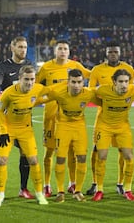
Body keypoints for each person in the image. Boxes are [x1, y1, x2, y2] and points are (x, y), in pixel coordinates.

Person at [36, 39, 90, 197]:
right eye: (60, 48)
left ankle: (72, 183)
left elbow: (91, 76)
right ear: (55, 51)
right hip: (51, 115)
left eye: (65, 49)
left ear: (69, 51)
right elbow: (37, 87)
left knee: (73, 152)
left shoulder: (75, 66)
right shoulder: (46, 67)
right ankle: (47, 184)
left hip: (68, 117)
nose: (63, 51)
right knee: (49, 151)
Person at [0, 65, 49, 207]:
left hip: (25, 130)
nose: (29, 83)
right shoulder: (8, 93)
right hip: (8, 130)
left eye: (32, 79)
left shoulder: (37, 88)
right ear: (19, 79)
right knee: (2, 160)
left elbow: (51, 93)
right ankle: (0, 195)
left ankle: (39, 194)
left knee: (33, 161)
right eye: (26, 79)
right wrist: (3, 130)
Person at [42, 69, 99, 203]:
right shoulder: (59, 93)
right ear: (68, 82)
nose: (76, 85)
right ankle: (60, 191)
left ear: (83, 82)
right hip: (63, 127)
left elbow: (102, 101)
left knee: (82, 158)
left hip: (79, 128)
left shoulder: (88, 93)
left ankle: (77, 190)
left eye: (79, 82)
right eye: (73, 82)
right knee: (61, 159)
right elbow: (41, 98)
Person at [86, 41, 134, 196]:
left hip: (121, 117)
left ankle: (120, 184)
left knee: (123, 151)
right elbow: (91, 91)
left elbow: (130, 91)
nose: (113, 54)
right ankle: (95, 183)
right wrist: (103, 103)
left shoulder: (128, 69)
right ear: (106, 53)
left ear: (120, 53)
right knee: (97, 151)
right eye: (110, 52)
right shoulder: (97, 70)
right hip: (103, 117)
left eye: (115, 51)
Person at [0, 36, 34, 201]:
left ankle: (23, 189)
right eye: (20, 47)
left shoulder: (29, 66)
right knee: (1, 155)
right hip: (6, 120)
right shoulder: (3, 67)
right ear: (12, 48)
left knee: (26, 153)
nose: (23, 50)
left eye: (25, 47)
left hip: (23, 119)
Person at [91, 69, 134, 202]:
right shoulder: (102, 90)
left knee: (129, 157)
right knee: (101, 157)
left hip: (122, 127)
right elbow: (87, 93)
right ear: (114, 82)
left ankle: (127, 189)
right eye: (121, 81)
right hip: (104, 126)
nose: (124, 85)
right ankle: (99, 189)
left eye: (126, 81)